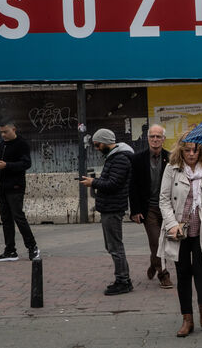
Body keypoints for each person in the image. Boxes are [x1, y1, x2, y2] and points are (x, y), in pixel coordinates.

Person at [158, 137, 202, 337]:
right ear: (181, 150)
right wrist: (171, 225)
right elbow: (163, 200)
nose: (191, 154)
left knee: (201, 270)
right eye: (187, 150)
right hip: (179, 230)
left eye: (195, 151)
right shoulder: (172, 169)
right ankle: (187, 318)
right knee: (182, 273)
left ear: (200, 151)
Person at [79, 128, 134, 295]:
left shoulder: (120, 158)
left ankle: (123, 281)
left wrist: (93, 183)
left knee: (115, 246)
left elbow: (113, 184)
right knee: (112, 245)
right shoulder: (113, 157)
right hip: (109, 207)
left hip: (113, 208)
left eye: (97, 145)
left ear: (105, 142)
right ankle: (122, 279)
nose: (96, 148)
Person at [129, 124, 173, 289]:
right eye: (152, 136)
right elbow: (132, 186)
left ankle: (153, 262)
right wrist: (135, 211)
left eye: (158, 136)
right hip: (149, 209)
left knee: (166, 243)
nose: (155, 139)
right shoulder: (137, 159)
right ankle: (163, 274)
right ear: (148, 139)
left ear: (163, 139)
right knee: (156, 241)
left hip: (167, 208)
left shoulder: (171, 158)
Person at [0, 121, 39, 262]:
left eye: (6, 131)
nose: (3, 134)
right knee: (6, 220)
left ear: (14, 129)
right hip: (1, 188)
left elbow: (26, 163)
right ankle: (10, 251)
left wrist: (7, 165)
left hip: (15, 187)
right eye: (1, 132)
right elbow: (1, 165)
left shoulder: (21, 144)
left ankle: (33, 247)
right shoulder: (2, 144)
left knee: (19, 217)